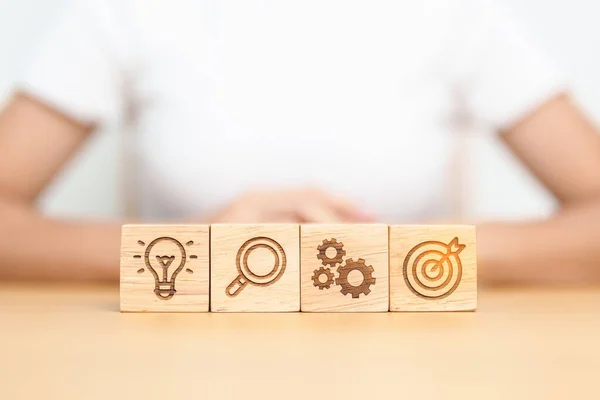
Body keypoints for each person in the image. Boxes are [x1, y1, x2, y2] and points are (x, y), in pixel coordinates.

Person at [1, 0, 599, 284]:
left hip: (414, 363)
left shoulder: (458, 18)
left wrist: (406, 257)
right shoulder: (125, 14)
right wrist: (189, 254)